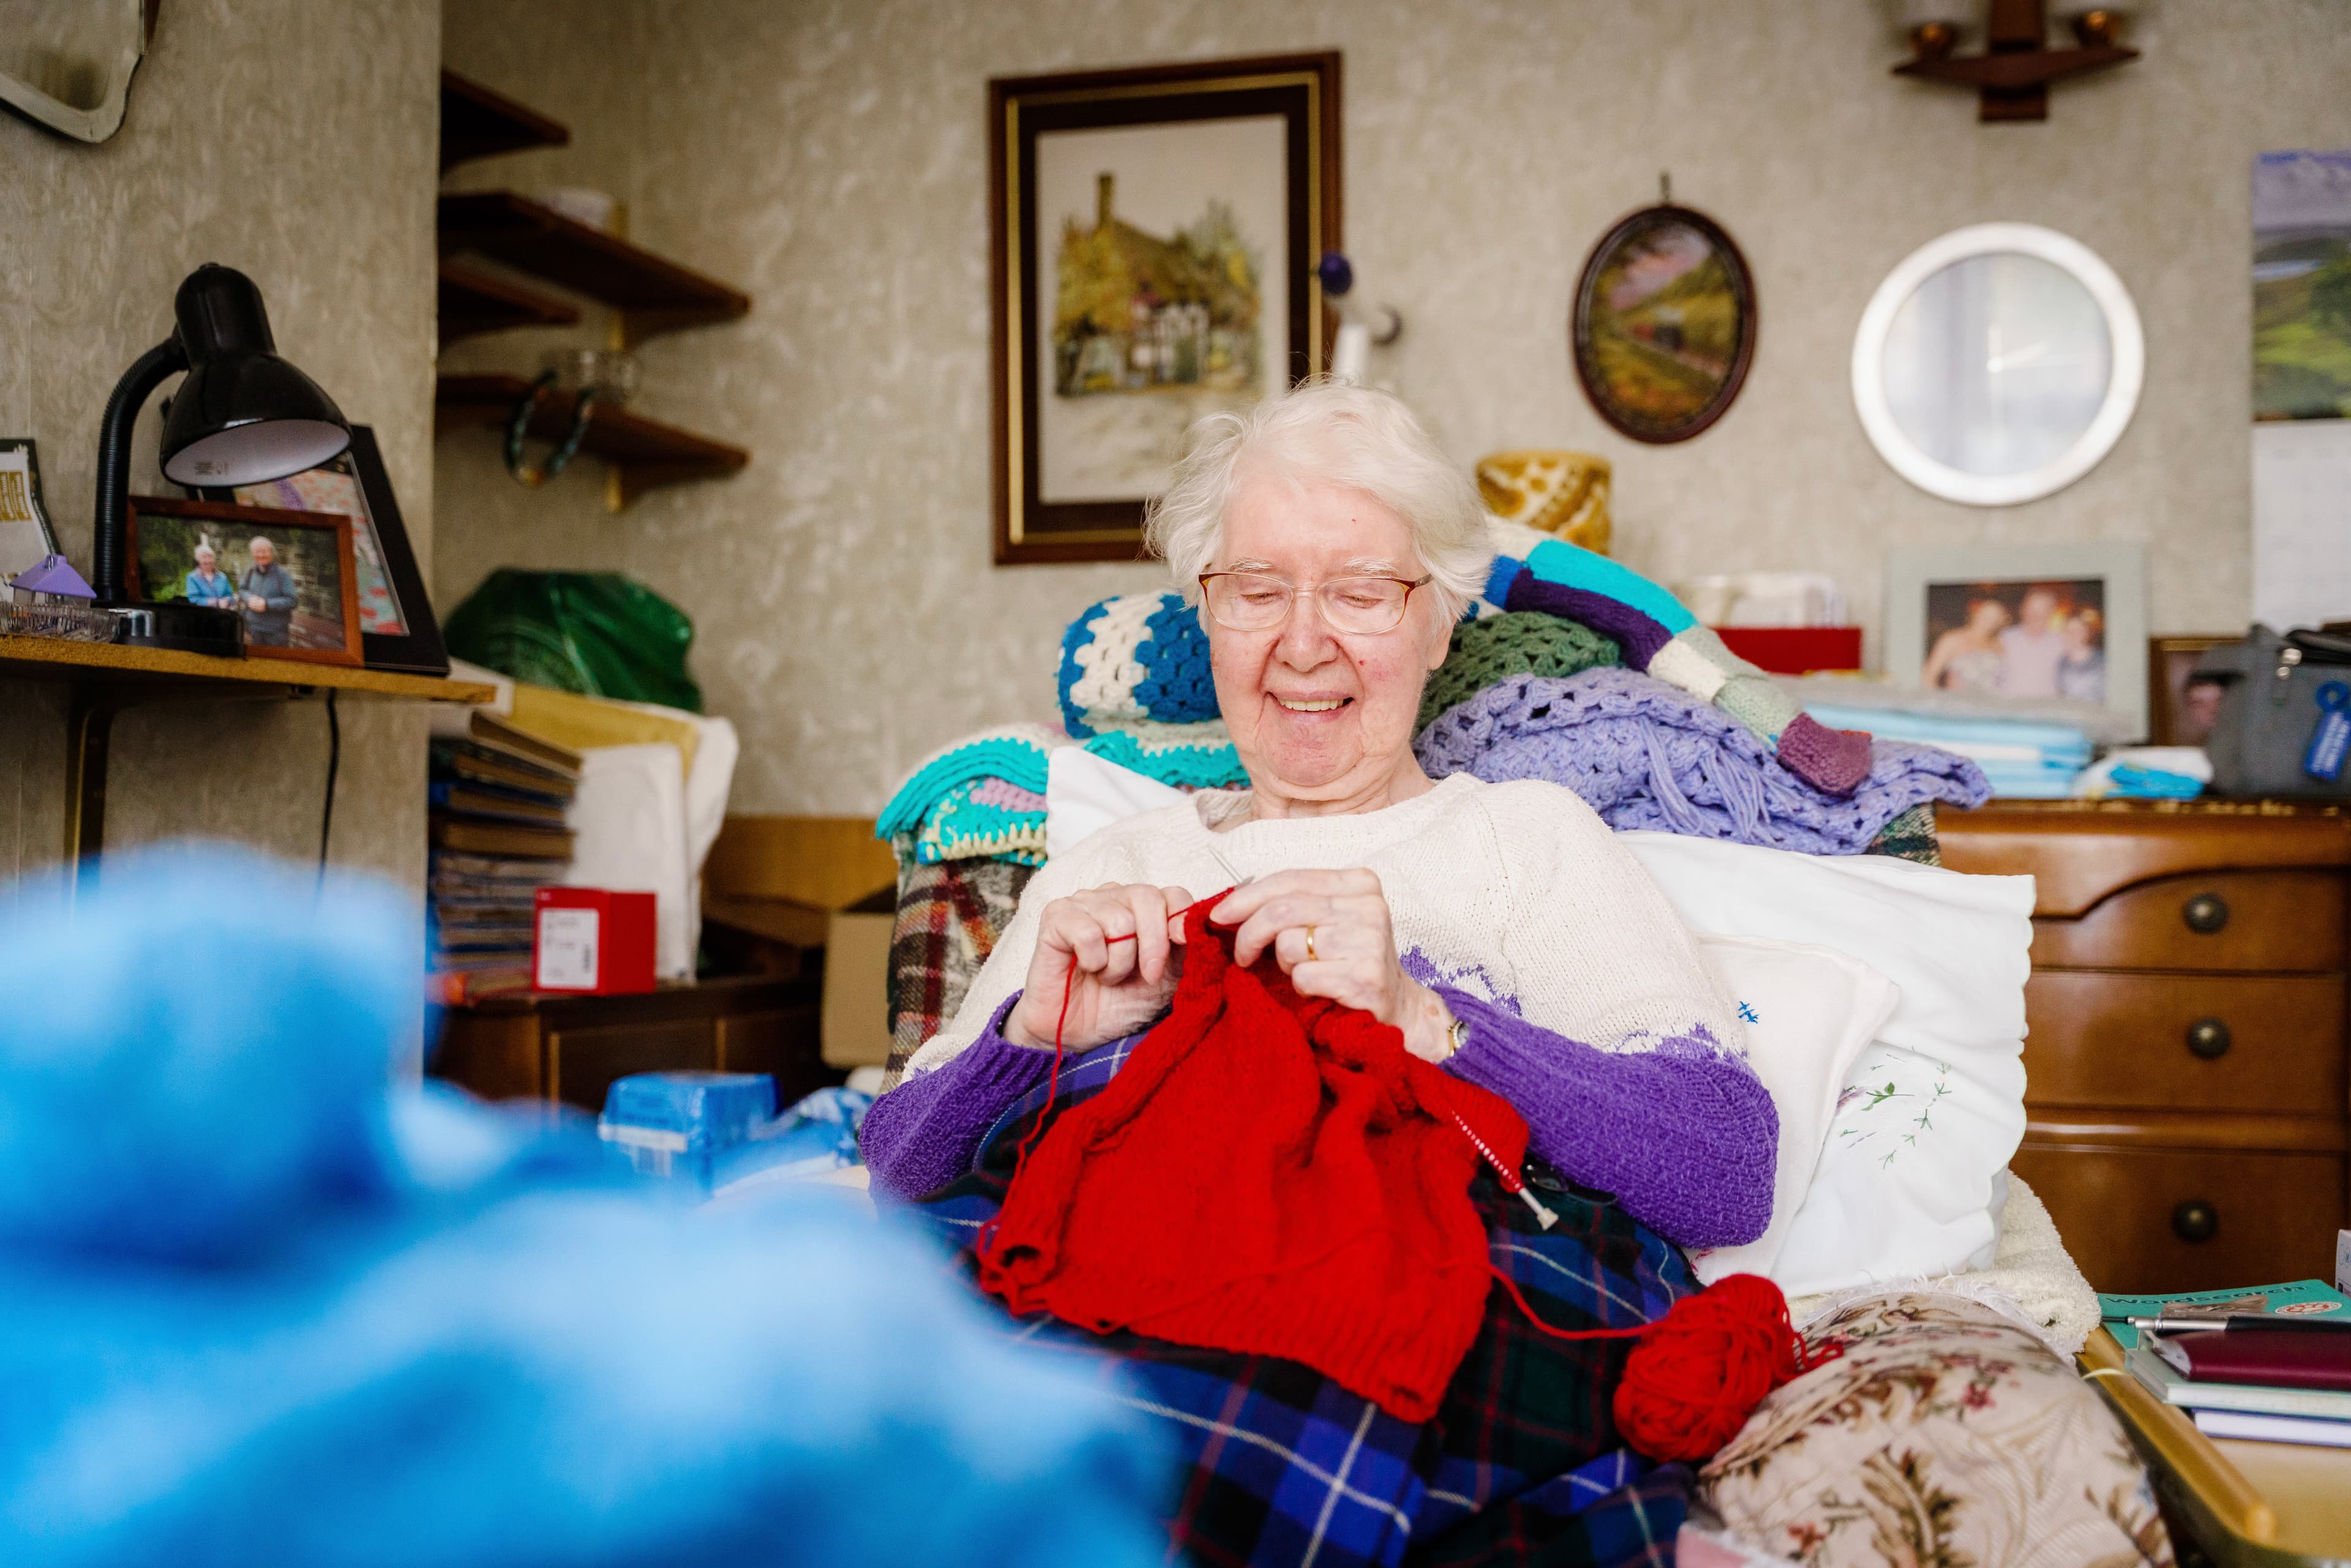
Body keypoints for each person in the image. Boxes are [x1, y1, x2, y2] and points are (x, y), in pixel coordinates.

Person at [860, 381, 1775, 1252]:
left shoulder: (1525, 841)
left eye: (1362, 592)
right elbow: (896, 1175)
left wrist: (1424, 1019)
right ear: (1209, 618)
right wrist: (1029, 1041)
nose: (1303, 645)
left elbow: (1727, 1173)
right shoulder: (1111, 867)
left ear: (1441, 623)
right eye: (1258, 591)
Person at [1922, 595, 2009, 692]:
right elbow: (1929, 675)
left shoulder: (1999, 643)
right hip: (1959, 704)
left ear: (2001, 621)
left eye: (1996, 617)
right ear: (1976, 613)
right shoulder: (1952, 639)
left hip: (1992, 704)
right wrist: (1937, 702)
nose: (1989, 620)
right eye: (1986, 614)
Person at [1997, 584, 2068, 697]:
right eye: (2031, 609)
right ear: (2023, 609)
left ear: (2051, 612)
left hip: (2045, 709)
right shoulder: (2004, 638)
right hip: (2009, 708)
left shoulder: (2062, 641)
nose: (2035, 615)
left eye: (2042, 611)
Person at [238, 536, 298, 647]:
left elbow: (292, 601)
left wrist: (267, 604)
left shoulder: (283, 575)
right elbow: (242, 589)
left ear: (272, 553)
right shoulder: (250, 572)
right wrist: (249, 598)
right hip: (254, 627)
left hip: (276, 632)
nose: (260, 555)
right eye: (257, 552)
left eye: (264, 551)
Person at [2057, 606, 2106, 703]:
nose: (2072, 635)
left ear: (2087, 633)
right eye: (2068, 630)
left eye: (2078, 631)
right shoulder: (2062, 663)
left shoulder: (2102, 662)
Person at [182, 542, 236, 609]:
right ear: (198, 560)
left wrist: (227, 601)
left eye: (210, 557)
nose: (208, 560)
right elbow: (194, 599)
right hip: (204, 615)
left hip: (222, 614)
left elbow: (230, 595)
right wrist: (217, 603)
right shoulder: (192, 577)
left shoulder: (222, 577)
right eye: (204, 557)